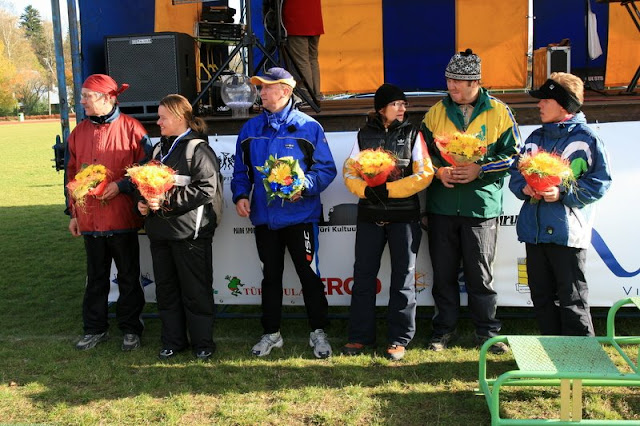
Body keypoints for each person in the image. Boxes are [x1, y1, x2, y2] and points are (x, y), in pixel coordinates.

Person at [231, 67, 337, 358]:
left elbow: (326, 169)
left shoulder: (309, 127)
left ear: (286, 91)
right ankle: (271, 333)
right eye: (260, 87)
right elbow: (241, 172)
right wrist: (241, 195)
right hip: (265, 219)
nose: (261, 92)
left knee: (309, 276)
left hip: (301, 217)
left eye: (267, 87)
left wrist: (304, 186)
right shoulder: (250, 129)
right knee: (270, 277)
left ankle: (318, 331)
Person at [420, 49, 521, 354]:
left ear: (475, 82)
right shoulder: (435, 112)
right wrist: (439, 171)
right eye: (449, 80)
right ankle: (442, 330)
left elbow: (514, 155)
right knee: (443, 274)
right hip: (442, 206)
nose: (451, 86)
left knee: (480, 275)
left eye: (458, 82)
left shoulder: (500, 112)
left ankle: (487, 332)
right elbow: (421, 155)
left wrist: (481, 168)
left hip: (481, 206)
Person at [509, 73, 612, 336]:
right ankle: (552, 351)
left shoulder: (587, 138)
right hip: (534, 232)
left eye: (546, 99)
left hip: (568, 234)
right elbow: (516, 173)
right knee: (541, 297)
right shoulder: (535, 137)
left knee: (572, 298)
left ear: (564, 104)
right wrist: (523, 187)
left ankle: (582, 355)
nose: (539, 104)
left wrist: (562, 192)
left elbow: (600, 182)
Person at [341, 84, 434, 361]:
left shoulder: (413, 133)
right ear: (381, 108)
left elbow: (425, 173)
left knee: (403, 277)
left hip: (404, 217)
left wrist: (388, 191)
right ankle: (359, 336)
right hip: (369, 216)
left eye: (404, 104)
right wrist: (366, 191)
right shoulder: (363, 134)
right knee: (363, 276)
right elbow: (349, 172)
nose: (402, 108)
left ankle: (399, 339)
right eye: (396, 104)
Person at [67, 74, 151, 351]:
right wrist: (73, 213)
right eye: (82, 96)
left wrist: (121, 185)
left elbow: (147, 169)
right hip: (89, 219)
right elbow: (71, 176)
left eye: (87, 96)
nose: (82, 101)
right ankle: (94, 329)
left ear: (107, 98)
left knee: (128, 277)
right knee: (95, 278)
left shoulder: (133, 128)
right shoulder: (78, 132)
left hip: (122, 217)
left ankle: (131, 329)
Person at [137, 94, 221, 361]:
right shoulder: (158, 150)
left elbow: (206, 189)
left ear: (178, 117)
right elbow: (146, 185)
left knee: (196, 291)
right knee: (166, 290)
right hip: (160, 233)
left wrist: (165, 201)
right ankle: (173, 341)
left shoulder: (198, 149)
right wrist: (144, 202)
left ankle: (203, 343)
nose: (158, 122)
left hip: (190, 233)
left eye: (162, 117)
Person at [282, 0, 323, 99]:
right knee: (312, 59)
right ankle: (316, 95)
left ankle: (306, 96)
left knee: (301, 61)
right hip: (314, 18)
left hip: (297, 20)